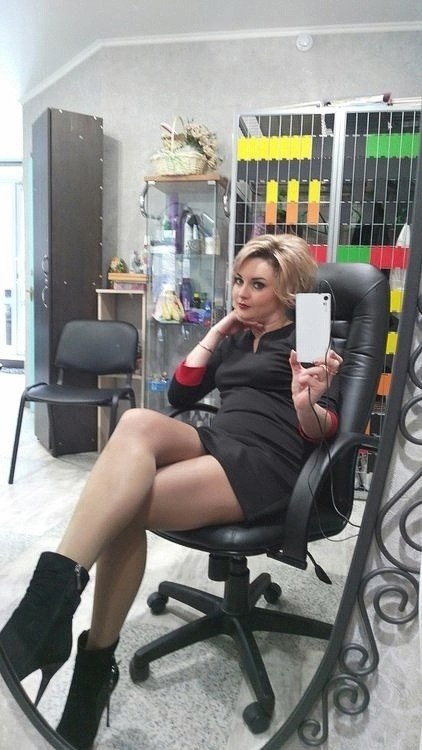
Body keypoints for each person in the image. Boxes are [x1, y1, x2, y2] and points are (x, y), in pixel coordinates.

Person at [0, 233, 342, 749]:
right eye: (238, 280)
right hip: (219, 441)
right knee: (138, 420)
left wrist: (304, 403)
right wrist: (220, 330)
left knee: (123, 509)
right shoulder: (235, 338)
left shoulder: (309, 342)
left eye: (257, 285)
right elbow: (182, 392)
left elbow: (325, 428)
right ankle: (53, 610)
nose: (241, 292)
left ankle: (80, 659)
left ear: (288, 292)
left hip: (268, 463)